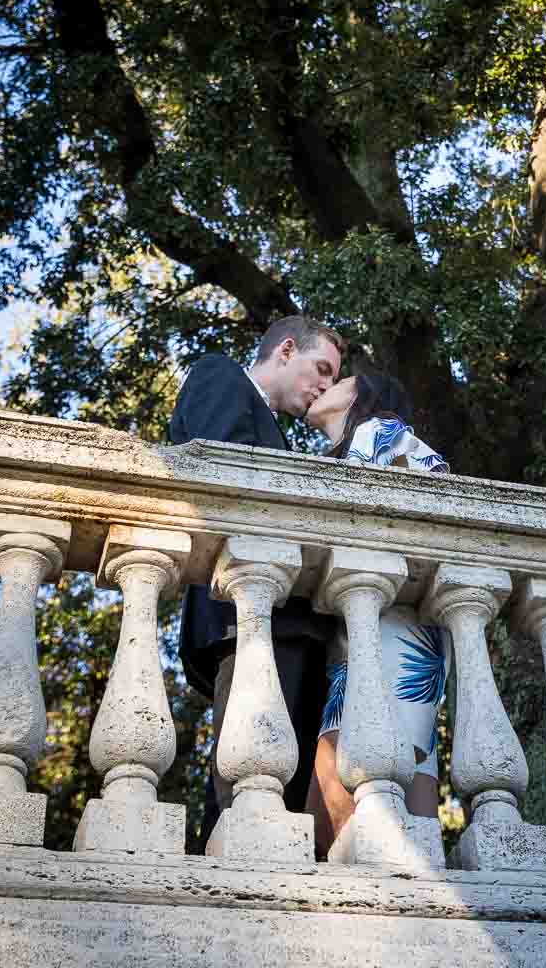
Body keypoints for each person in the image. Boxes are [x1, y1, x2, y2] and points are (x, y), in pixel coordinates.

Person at [168, 316, 343, 850]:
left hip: (289, 623)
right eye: (321, 370)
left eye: (333, 381)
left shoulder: (275, 431)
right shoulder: (221, 376)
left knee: (273, 790)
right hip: (248, 618)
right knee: (247, 791)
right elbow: (219, 469)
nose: (324, 388)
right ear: (285, 349)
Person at [302, 370, 451, 858]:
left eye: (339, 378)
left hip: (390, 630)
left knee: (343, 775)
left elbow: (431, 496)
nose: (327, 385)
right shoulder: (365, 441)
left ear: (363, 396)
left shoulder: (377, 431)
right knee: (408, 773)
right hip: (392, 629)